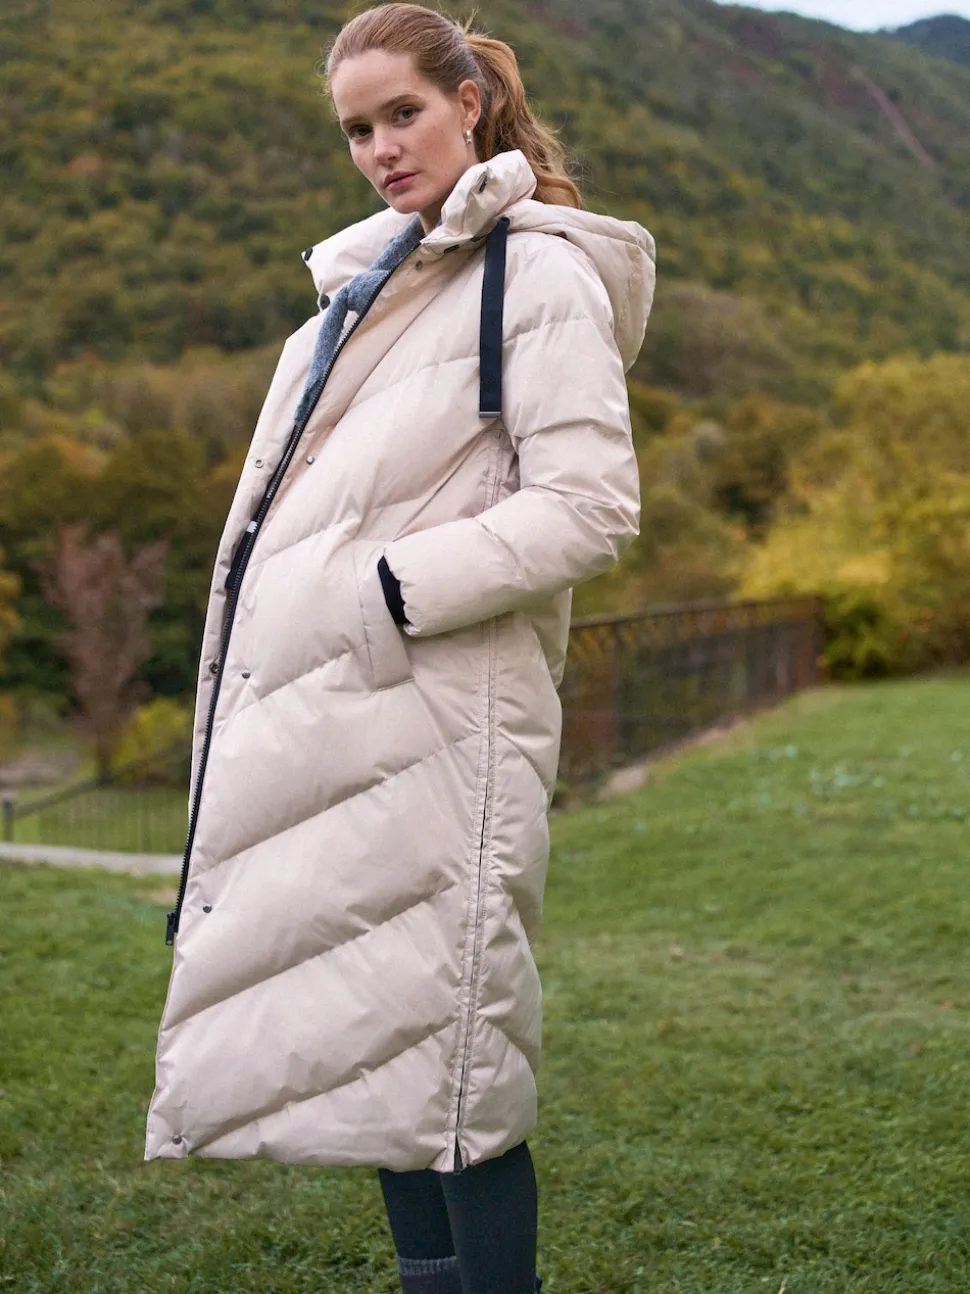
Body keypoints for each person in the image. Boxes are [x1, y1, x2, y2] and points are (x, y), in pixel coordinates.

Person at [145, 5, 655, 1292]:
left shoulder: (536, 277)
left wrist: (388, 589)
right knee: (381, 1050)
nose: (380, 148)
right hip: (340, 717)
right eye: (357, 129)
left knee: (457, 1063)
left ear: (468, 105)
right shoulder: (359, 290)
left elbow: (590, 506)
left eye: (403, 114)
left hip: (444, 719)